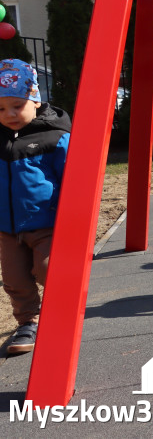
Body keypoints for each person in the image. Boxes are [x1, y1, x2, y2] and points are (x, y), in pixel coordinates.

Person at [0, 59, 70, 355]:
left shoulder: (54, 135)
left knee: (47, 271)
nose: (10, 114)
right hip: (6, 227)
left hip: (46, 223)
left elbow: (73, 177)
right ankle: (27, 322)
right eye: (1, 109)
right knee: (15, 281)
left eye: (17, 105)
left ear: (35, 99)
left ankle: (59, 313)